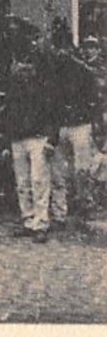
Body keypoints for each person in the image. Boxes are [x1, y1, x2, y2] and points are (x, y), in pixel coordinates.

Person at [3, 43, 58, 242]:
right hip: (17, 140)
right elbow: (7, 117)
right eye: (19, 68)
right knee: (22, 183)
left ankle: (42, 222)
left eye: (27, 67)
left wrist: (51, 140)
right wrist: (6, 143)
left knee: (39, 180)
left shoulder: (43, 90)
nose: (23, 72)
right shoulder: (13, 94)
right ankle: (28, 220)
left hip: (38, 138)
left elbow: (53, 114)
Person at [49, 36, 99, 227]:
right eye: (57, 48)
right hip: (61, 126)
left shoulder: (84, 72)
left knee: (81, 169)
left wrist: (93, 125)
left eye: (64, 49)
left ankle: (84, 206)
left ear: (70, 50)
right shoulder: (53, 72)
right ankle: (60, 213)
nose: (61, 52)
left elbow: (94, 101)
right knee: (58, 172)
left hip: (80, 125)